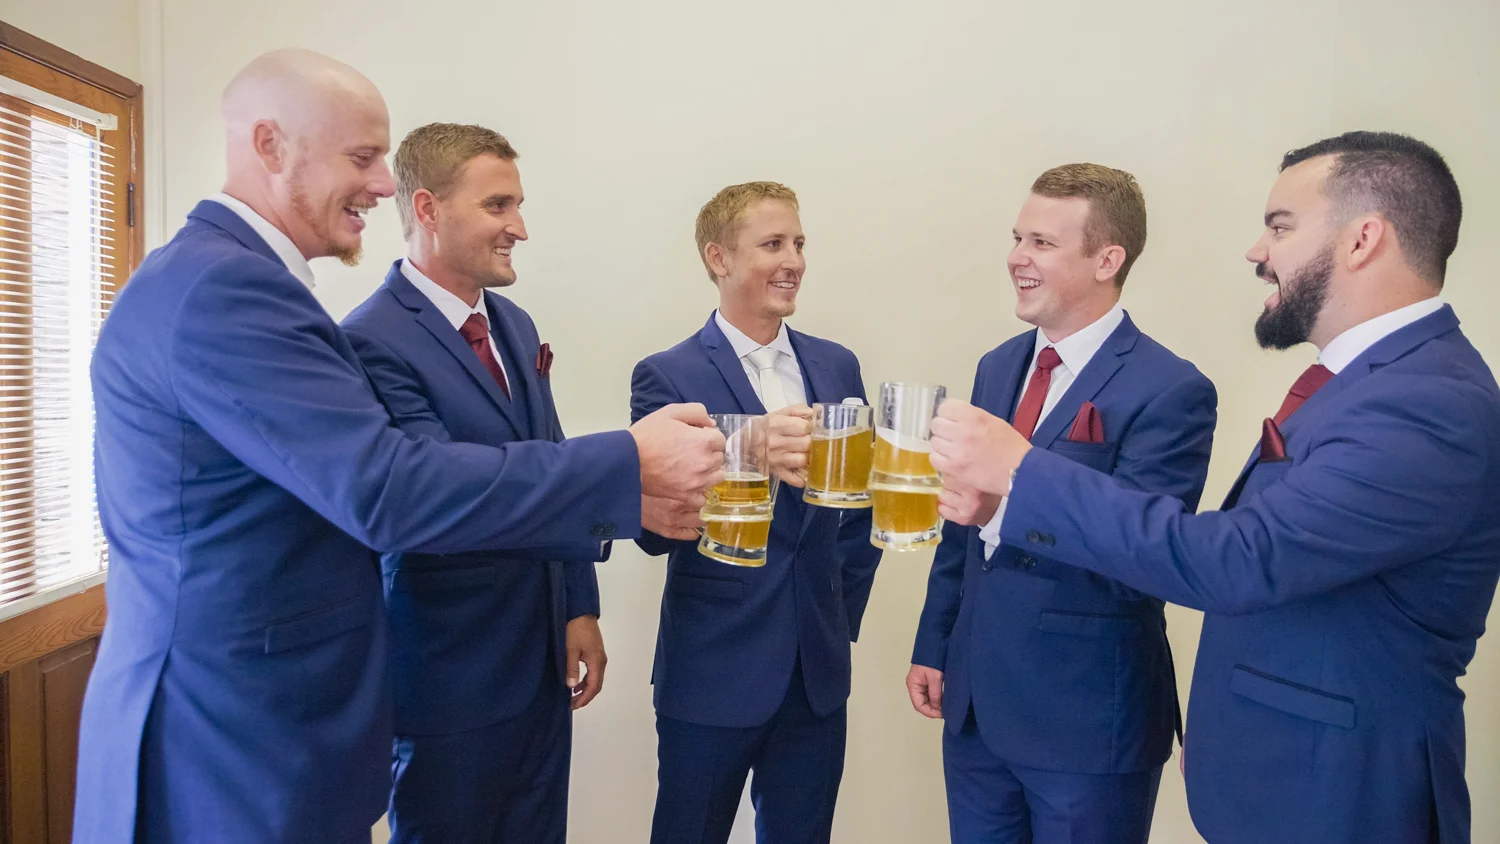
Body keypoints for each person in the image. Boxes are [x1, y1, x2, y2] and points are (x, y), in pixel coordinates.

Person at [76, 50, 720, 844]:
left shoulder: (239, 280)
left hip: (285, 721)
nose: (383, 185)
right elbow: (387, 487)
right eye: (361, 157)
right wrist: (626, 461)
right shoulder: (227, 289)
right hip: (234, 737)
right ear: (270, 145)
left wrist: (582, 585)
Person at [929, 131, 1500, 844]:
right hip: (1282, 775)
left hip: (1340, 793)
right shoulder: (1366, 384)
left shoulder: (1428, 401)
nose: (1258, 251)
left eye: (1280, 227)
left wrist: (1022, 472)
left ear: (1363, 239)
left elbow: (1240, 559)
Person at [908, 163, 1216, 844]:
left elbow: (1144, 558)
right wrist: (935, 643)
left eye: (1042, 243)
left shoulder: (1172, 390)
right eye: (1018, 238)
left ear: (1108, 260)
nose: (1017, 257)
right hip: (975, 709)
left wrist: (1004, 506)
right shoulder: (997, 365)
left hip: (1087, 722)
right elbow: (960, 522)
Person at [340, 122, 624, 843]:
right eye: (498, 205)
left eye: (518, 205)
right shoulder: (370, 340)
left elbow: (548, 455)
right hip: (449, 677)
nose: (519, 228)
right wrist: (628, 464)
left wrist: (578, 605)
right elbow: (437, 499)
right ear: (428, 209)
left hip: (541, 662)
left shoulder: (515, 325)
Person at [631, 181, 882, 844]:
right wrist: (747, 450)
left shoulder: (837, 364)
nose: (794, 260)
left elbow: (860, 507)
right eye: (773, 244)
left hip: (816, 673)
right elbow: (654, 531)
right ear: (719, 258)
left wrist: (836, 617)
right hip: (711, 667)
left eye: (798, 243)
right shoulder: (666, 375)